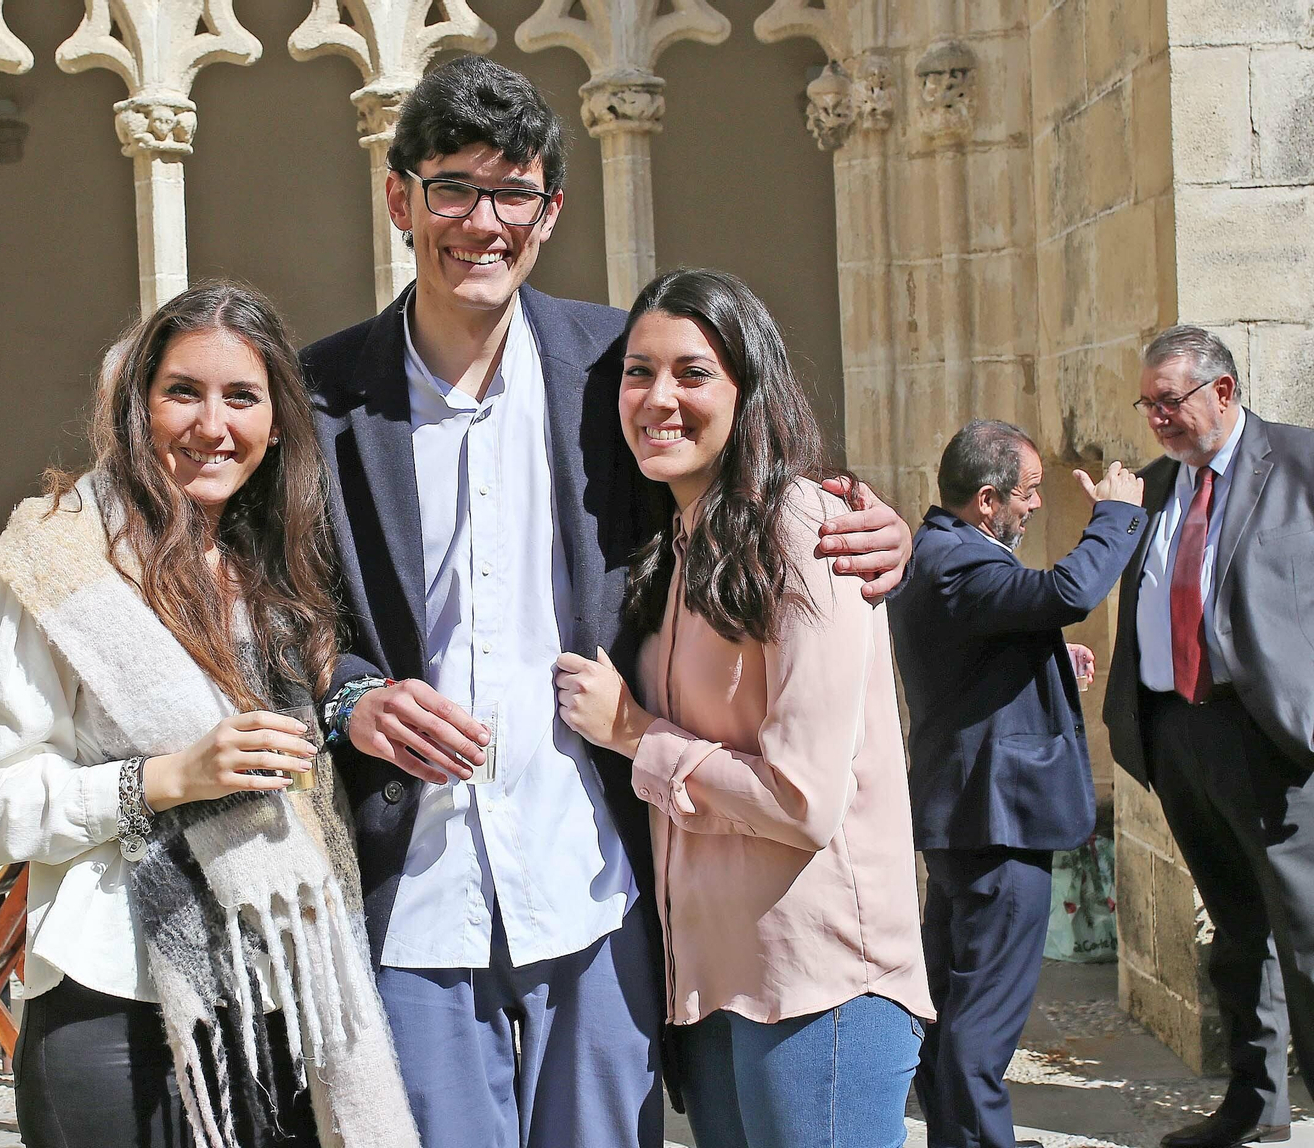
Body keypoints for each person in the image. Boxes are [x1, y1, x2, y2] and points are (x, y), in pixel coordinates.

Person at [299, 57, 915, 1148]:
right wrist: (349, 700)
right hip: (420, 887)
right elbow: (282, 611)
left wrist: (876, 521)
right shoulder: (318, 396)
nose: (480, 221)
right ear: (399, 198)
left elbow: (735, 484)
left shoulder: (612, 370)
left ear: (550, 213)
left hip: (599, 880)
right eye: (451, 188)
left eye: (512, 193)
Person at [0, 282, 418, 1148]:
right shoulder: (62, 565)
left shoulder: (281, 566)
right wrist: (162, 780)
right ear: (139, 406)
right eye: (183, 393)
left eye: (242, 397)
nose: (213, 425)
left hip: (281, 1001)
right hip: (115, 1007)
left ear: (277, 423)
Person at [553, 267, 934, 1148]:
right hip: (713, 986)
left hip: (820, 983)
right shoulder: (672, 546)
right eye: (637, 373)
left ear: (746, 388)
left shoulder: (803, 531)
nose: (658, 399)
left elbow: (804, 801)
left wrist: (633, 733)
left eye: (693, 373)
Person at [887, 419, 1147, 1148]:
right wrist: (1117, 516)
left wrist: (1044, 658)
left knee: (954, 1001)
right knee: (983, 1021)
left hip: (972, 819)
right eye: (1028, 494)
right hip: (994, 825)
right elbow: (1067, 590)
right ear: (987, 498)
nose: (1034, 507)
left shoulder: (944, 552)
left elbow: (972, 664)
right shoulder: (960, 562)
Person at [1104, 325, 1314, 1148]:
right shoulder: (1154, 488)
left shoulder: (1299, 465)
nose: (1157, 417)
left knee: (1306, 937)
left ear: (1222, 392)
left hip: (1271, 738)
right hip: (1176, 732)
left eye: (1171, 401)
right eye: (1147, 403)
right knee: (1235, 932)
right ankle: (1257, 1103)